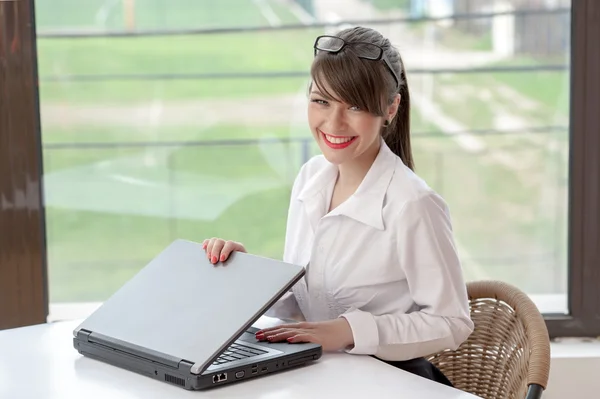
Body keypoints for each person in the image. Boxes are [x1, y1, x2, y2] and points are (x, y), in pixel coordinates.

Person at [202, 26, 474, 386]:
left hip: (389, 382)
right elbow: (307, 301)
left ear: (391, 107)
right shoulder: (311, 177)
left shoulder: (413, 204)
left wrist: (349, 331)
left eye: (356, 106)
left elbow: (451, 322)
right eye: (321, 101)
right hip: (319, 377)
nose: (333, 123)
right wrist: (246, 277)